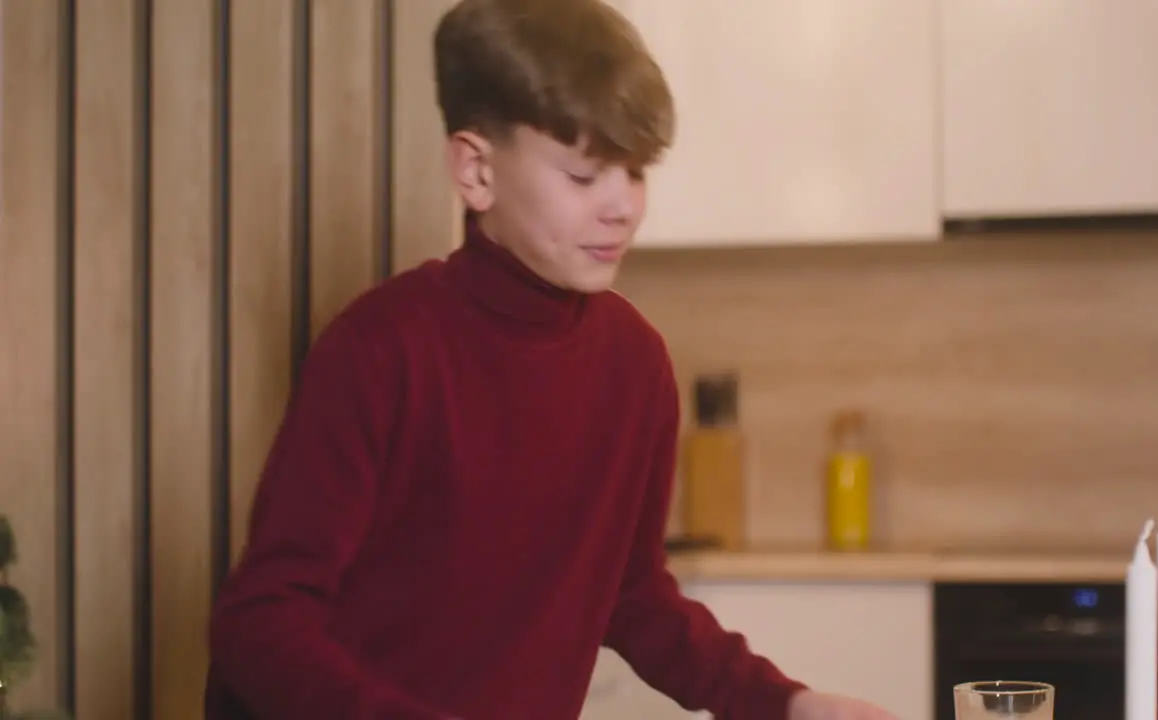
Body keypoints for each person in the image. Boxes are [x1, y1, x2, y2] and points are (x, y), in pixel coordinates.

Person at [203, 0, 899, 718]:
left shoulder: (636, 366)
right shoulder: (381, 349)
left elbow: (634, 597)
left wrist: (788, 704)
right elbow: (260, 624)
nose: (622, 207)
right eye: (584, 175)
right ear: (476, 172)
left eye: (635, 172)